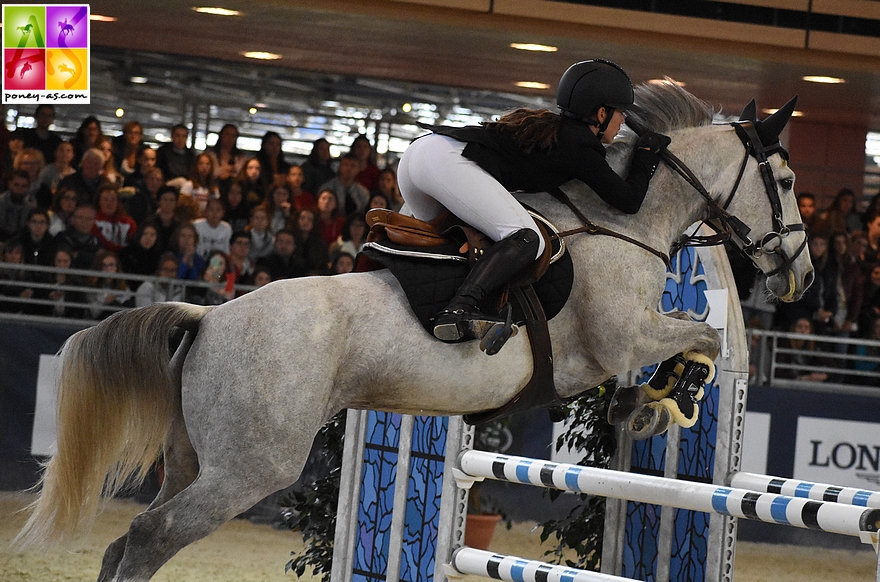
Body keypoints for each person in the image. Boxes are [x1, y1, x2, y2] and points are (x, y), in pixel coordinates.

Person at [397, 59, 668, 349]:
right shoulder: (581, 147)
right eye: (620, 113)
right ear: (601, 113)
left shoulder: (556, 128)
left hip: (419, 155)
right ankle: (459, 309)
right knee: (527, 238)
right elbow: (628, 201)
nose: (623, 121)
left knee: (450, 246)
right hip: (446, 163)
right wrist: (647, 155)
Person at [85, 250, 133, 319]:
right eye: (104, 265)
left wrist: (116, 299)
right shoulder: (92, 286)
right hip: (101, 320)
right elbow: (94, 312)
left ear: (117, 267)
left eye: (111, 265)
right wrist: (105, 302)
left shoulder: (122, 285)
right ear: (99, 267)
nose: (108, 269)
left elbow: (127, 301)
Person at [92, 187, 137, 253]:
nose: (109, 203)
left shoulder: (128, 222)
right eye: (105, 200)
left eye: (113, 200)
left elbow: (135, 240)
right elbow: (102, 243)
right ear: (99, 201)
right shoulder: (93, 221)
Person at [119, 223, 162, 289]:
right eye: (144, 234)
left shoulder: (159, 257)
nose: (148, 238)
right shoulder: (126, 253)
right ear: (139, 235)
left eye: (152, 235)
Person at [58, 204, 102, 269]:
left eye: (89, 219)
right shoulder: (62, 238)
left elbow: (101, 259)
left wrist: (78, 255)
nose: (85, 222)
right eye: (81, 218)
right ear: (73, 219)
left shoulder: (97, 241)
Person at [290, 207, 331, 275]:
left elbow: (324, 265)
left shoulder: (320, 244)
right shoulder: (290, 239)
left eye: (310, 219)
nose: (306, 222)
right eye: (302, 218)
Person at [0, 170, 36, 242]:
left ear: (28, 187)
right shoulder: (1, 203)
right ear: (9, 184)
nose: (19, 189)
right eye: (16, 185)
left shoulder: (31, 208)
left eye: (24, 186)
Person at [150, 186, 182, 253]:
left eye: (171, 200)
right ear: (158, 201)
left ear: (176, 203)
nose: (168, 203)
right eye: (165, 199)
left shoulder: (180, 226)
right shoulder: (150, 222)